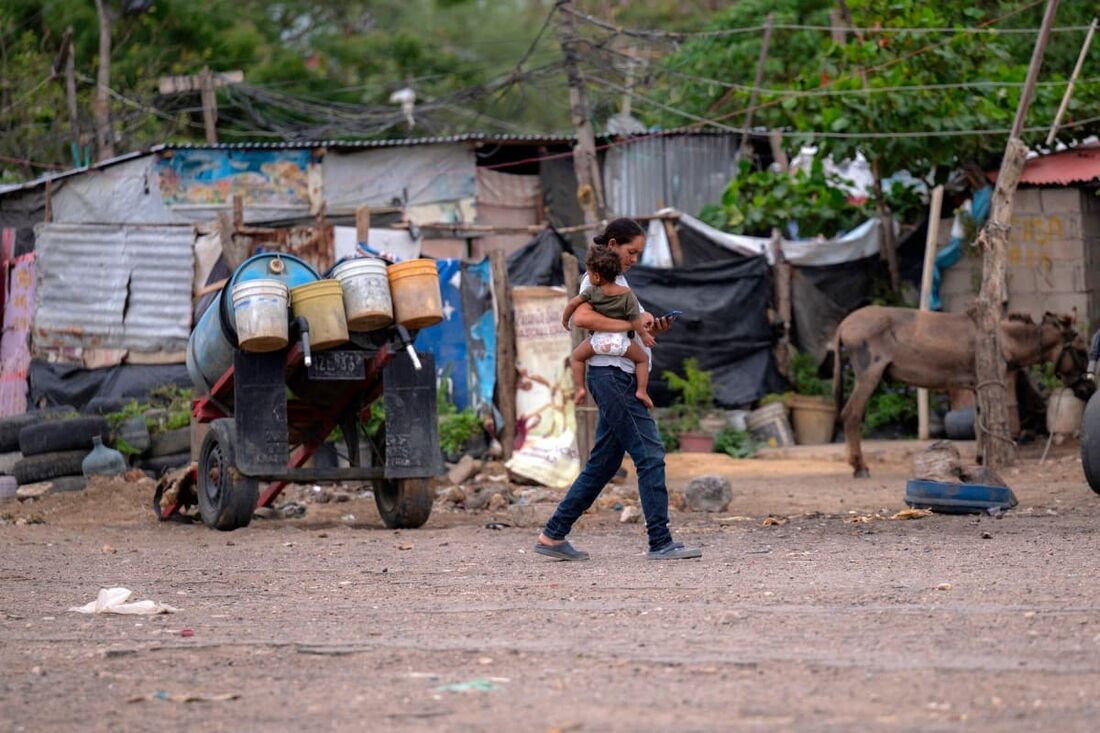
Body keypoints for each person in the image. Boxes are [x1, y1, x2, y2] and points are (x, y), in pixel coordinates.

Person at [535, 218, 702, 561]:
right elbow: (581, 318)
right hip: (611, 376)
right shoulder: (595, 278)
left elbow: (631, 329)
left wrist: (651, 325)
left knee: (603, 465)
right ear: (612, 244)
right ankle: (660, 541)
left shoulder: (620, 283)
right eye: (631, 251)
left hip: (617, 374)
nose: (634, 259)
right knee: (650, 455)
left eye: (638, 253)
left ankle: (552, 536)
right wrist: (631, 323)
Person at [561, 244, 655, 409]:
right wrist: (645, 336)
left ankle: (580, 389)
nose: (587, 276)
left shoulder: (592, 292)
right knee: (643, 360)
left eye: (588, 272)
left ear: (596, 277)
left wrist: (565, 320)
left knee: (576, 357)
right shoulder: (627, 294)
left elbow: (572, 304)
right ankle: (642, 391)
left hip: (597, 342)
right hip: (622, 344)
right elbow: (635, 321)